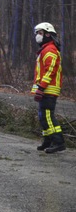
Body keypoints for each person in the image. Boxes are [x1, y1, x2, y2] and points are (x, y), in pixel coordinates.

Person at [32, 22, 66, 153]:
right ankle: (47, 140)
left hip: (49, 88)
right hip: (45, 88)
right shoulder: (45, 49)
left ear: (47, 34)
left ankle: (58, 142)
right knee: (42, 116)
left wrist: (41, 87)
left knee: (47, 116)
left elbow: (50, 70)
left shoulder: (50, 49)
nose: (38, 36)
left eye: (40, 33)